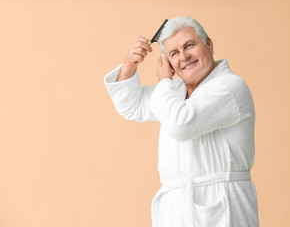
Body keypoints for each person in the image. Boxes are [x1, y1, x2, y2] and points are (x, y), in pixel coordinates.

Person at [104, 15, 259, 227]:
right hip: (176, 211)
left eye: (189, 46)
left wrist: (164, 80)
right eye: (174, 53)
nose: (184, 57)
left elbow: (181, 125)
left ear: (209, 44)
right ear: (168, 62)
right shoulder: (175, 92)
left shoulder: (230, 87)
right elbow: (133, 105)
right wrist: (129, 65)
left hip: (221, 209)